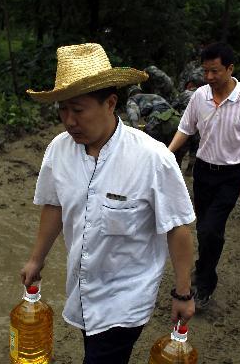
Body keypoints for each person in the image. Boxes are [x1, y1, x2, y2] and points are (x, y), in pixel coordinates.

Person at [22, 43, 195, 364]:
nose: (69, 120)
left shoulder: (152, 158)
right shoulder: (58, 151)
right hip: (82, 287)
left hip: (126, 297)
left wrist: (183, 293)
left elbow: (177, 228)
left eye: (78, 109)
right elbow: (53, 206)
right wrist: (36, 259)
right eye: (62, 110)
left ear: (110, 103)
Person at [168, 42, 240, 308]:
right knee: (204, 229)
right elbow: (185, 128)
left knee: (212, 229)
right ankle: (204, 266)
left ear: (230, 69)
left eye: (215, 72)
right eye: (206, 71)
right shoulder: (199, 96)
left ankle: (205, 285)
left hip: (233, 175)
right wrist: (167, 152)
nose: (209, 77)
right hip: (203, 171)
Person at [126, 85, 181, 151]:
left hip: (160, 121)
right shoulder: (154, 96)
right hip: (177, 120)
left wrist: (135, 133)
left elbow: (133, 116)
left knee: (147, 146)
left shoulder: (132, 99)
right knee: (170, 152)